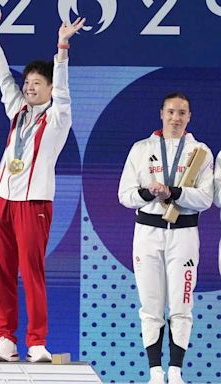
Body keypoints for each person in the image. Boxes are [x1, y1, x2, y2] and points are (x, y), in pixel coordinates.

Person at [0, 7, 84, 363]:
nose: (29, 87)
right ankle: (5, 338)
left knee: (31, 272)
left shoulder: (58, 117)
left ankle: (37, 341)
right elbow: (0, 77)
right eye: (28, 83)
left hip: (34, 203)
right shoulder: (17, 111)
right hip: (1, 200)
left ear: (51, 89)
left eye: (37, 84)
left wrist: (62, 48)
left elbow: (65, 90)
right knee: (2, 272)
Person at [118, 93, 213, 384]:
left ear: (189, 117)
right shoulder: (141, 149)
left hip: (183, 235)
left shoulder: (200, 152)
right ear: (161, 113)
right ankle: (155, 372)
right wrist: (149, 193)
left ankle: (176, 371)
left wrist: (175, 192)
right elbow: (125, 195)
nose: (176, 118)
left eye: (182, 112)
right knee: (150, 304)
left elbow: (206, 198)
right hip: (147, 235)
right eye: (171, 111)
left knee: (182, 304)